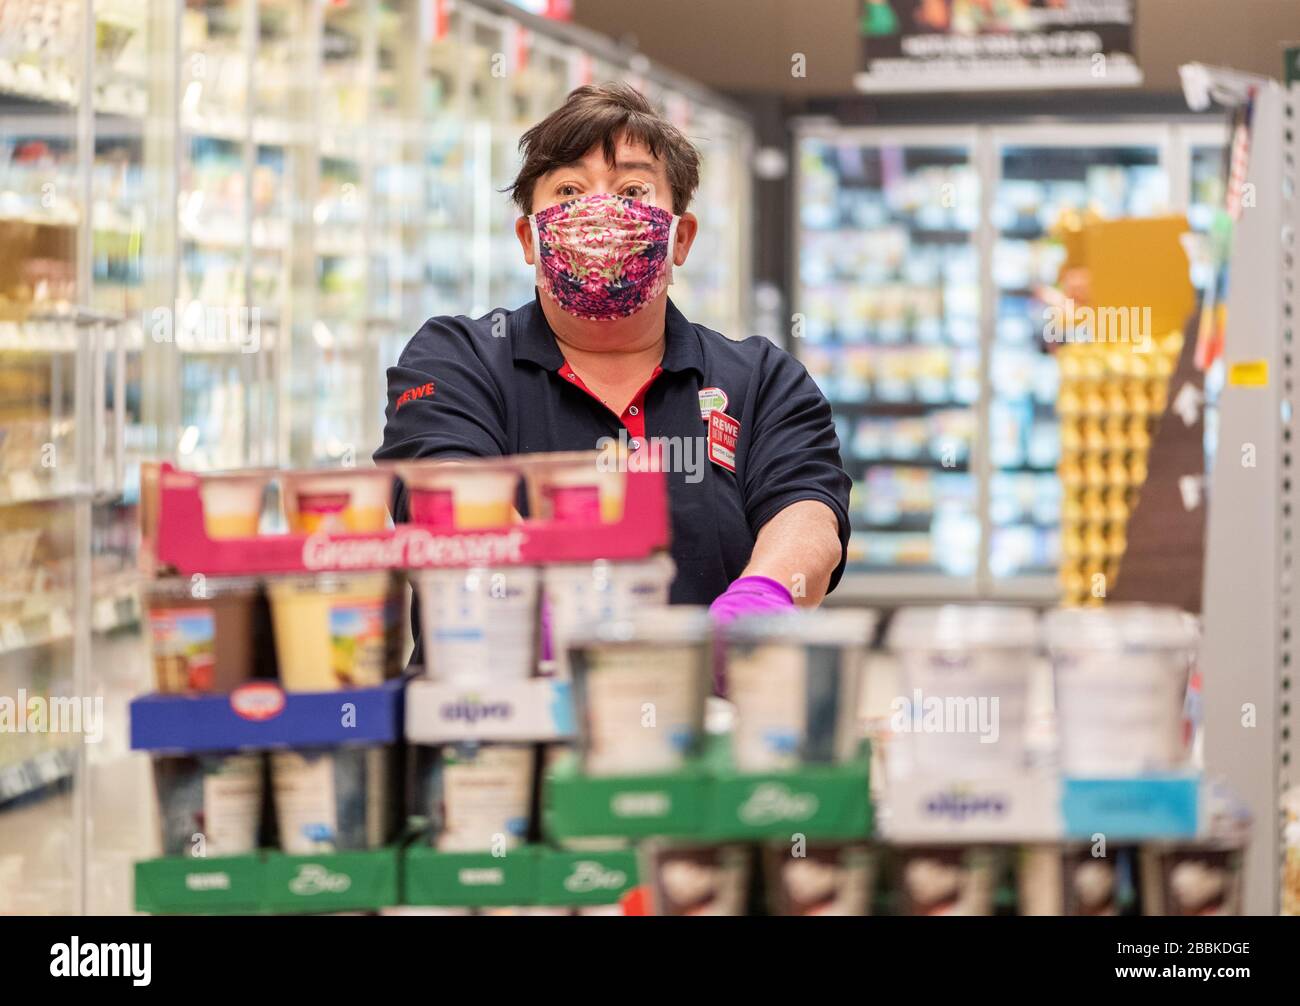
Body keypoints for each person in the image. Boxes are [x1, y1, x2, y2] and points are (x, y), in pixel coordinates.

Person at [375, 82, 850, 673]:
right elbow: (444, 492)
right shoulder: (458, 358)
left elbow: (808, 514)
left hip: (704, 722)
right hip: (496, 721)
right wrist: (533, 610)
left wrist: (762, 603)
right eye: (570, 189)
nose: (599, 211)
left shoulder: (761, 379)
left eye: (632, 189)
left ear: (681, 237)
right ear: (530, 237)